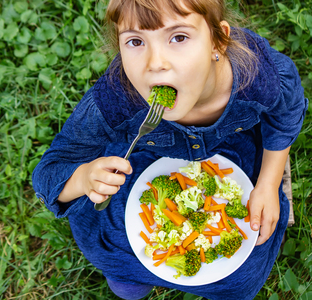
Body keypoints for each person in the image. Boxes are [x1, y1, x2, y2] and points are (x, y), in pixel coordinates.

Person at [32, 0, 308, 299]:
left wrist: (268, 183)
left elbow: (286, 116)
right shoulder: (115, 101)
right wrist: (83, 178)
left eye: (178, 37)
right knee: (114, 245)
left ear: (219, 41)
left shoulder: (260, 78)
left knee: (244, 267)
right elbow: (49, 172)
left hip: (233, 153)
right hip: (139, 162)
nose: (155, 62)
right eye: (136, 41)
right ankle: (128, 273)